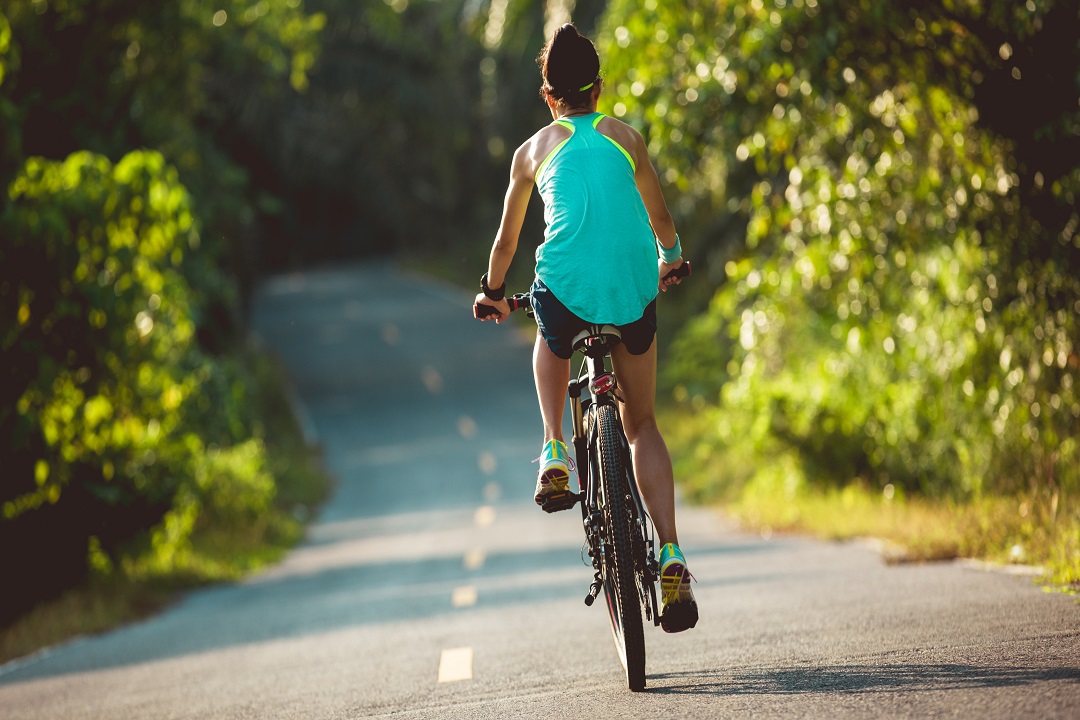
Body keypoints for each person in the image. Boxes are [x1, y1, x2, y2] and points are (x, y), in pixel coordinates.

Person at [473, 23, 697, 633]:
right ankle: (671, 552)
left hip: (567, 290)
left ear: (549, 97)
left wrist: (494, 293)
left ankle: (553, 448)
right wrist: (671, 258)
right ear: (599, 88)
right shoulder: (627, 139)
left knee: (549, 341)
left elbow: (507, 240)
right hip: (631, 291)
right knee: (642, 423)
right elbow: (660, 217)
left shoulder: (533, 151)